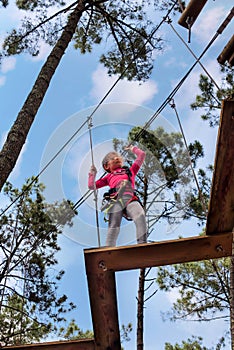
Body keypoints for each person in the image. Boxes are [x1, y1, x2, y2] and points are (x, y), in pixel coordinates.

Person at [88, 145, 147, 246]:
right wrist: (92, 174)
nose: (116, 158)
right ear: (106, 166)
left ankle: (142, 244)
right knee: (113, 226)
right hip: (116, 201)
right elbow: (91, 186)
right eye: (112, 158)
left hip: (130, 199)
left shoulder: (130, 171)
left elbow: (142, 155)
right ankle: (109, 248)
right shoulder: (108, 177)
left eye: (117, 157)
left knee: (140, 215)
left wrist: (133, 148)